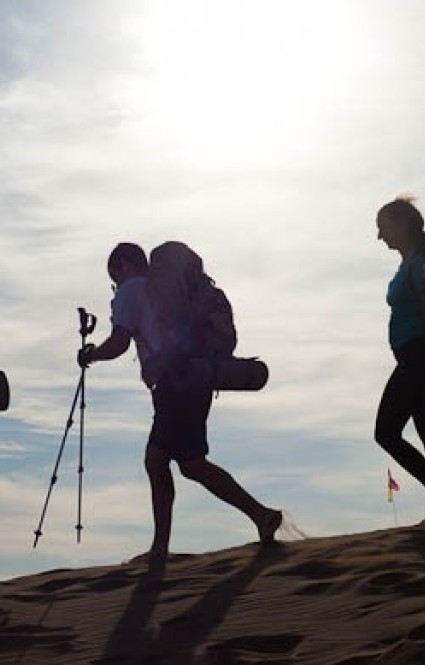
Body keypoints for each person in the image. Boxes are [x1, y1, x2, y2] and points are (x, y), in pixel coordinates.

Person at [78, 242, 282, 572]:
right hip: (196, 377)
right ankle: (260, 516)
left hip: (175, 382)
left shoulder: (132, 290)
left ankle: (164, 547)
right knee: (185, 463)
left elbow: (119, 342)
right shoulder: (169, 291)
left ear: (125, 266)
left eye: (114, 275)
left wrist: (91, 354)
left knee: (164, 460)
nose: (115, 283)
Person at [374, 197, 425, 524]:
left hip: (418, 354)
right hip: (411, 354)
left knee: (388, 432)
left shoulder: (420, 264)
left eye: (383, 228)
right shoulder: (408, 263)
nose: (380, 236)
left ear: (402, 224)